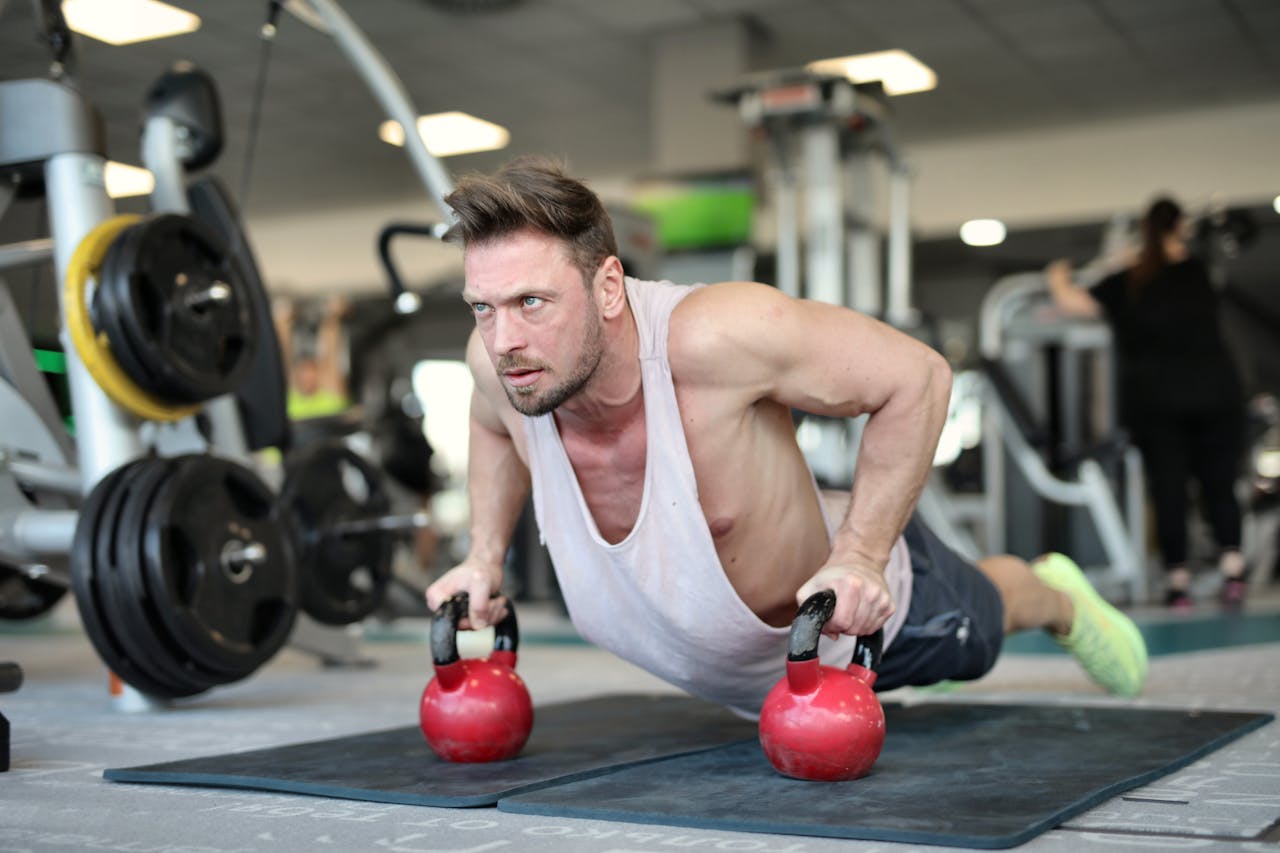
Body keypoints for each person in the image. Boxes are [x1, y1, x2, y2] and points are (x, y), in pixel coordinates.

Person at [425, 156, 1148, 718]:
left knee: (982, 624)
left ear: (610, 286)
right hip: (745, 682)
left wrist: (862, 559)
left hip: (853, 621)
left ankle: (1057, 593)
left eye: (531, 302)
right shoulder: (497, 365)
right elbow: (490, 424)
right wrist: (484, 555)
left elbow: (918, 377)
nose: (505, 338)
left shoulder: (718, 337)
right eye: (483, 308)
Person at [1046, 197, 1248, 610]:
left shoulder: (1129, 278)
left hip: (1159, 401)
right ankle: (1233, 572)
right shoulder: (1199, 271)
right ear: (1180, 229)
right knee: (1218, 484)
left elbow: (1074, 303)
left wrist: (1057, 276)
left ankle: (1178, 584)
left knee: (1169, 489)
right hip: (1214, 393)